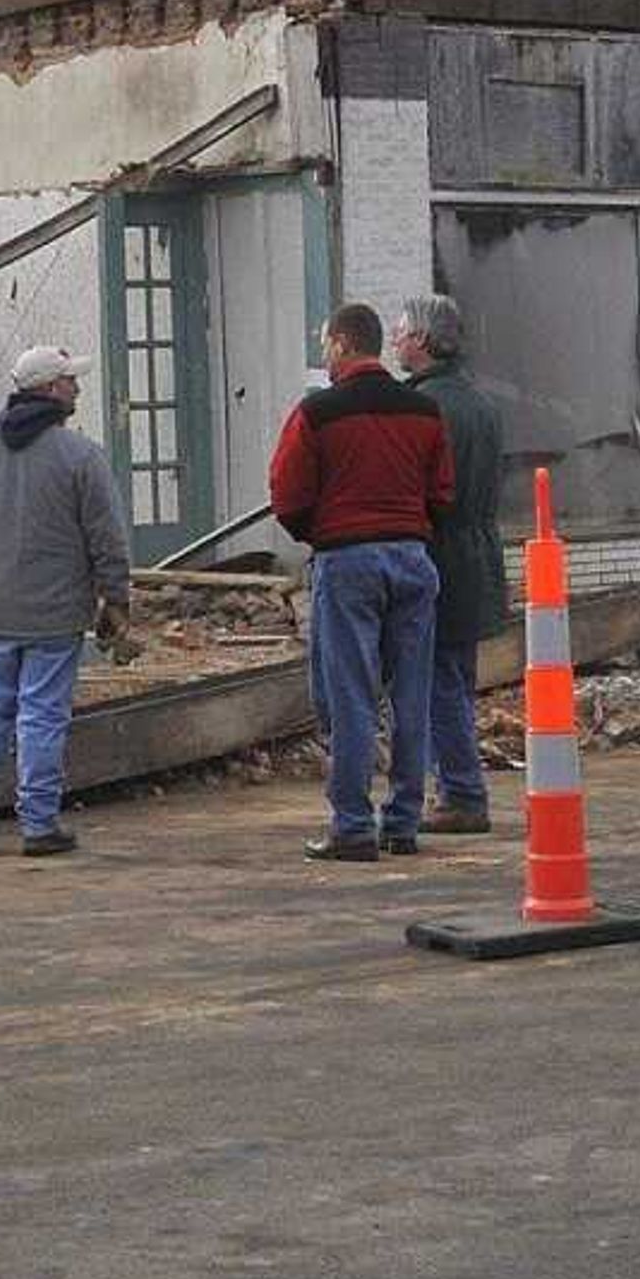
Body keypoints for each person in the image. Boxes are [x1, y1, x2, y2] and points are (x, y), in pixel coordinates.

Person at [268, 301, 453, 860]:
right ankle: (403, 821)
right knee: (411, 694)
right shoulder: (423, 410)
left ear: (344, 345)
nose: (325, 354)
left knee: (349, 696)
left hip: (347, 560)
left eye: (327, 344)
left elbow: (288, 493)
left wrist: (321, 534)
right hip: (414, 558)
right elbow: (442, 492)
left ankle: (352, 824)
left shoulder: (318, 412)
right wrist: (409, 529)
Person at [0, 344, 131, 858]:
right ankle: (39, 823)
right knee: (42, 715)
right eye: (70, 380)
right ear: (51, 389)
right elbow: (107, 537)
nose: (77, 387)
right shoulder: (80, 457)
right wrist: (116, 599)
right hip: (54, 614)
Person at [392, 292, 509, 835]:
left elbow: (428, 491)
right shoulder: (481, 403)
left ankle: (461, 791)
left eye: (399, 333)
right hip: (478, 554)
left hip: (441, 552)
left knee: (438, 681)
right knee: (456, 677)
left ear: (420, 340)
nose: (394, 341)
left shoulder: (425, 407)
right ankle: (460, 786)